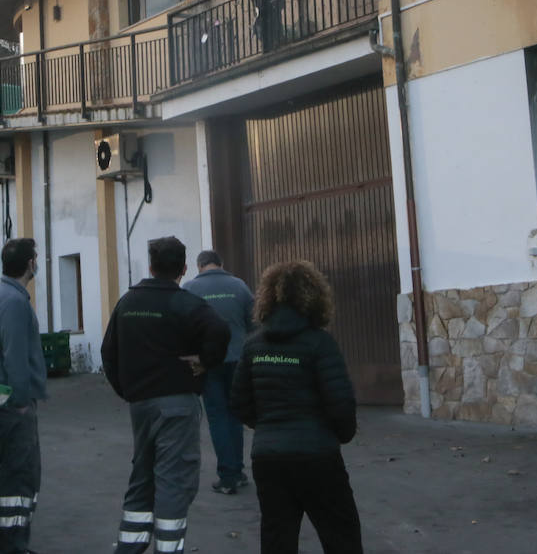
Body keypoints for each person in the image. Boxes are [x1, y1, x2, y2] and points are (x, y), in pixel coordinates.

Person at [101, 236, 230, 554]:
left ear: (151, 266)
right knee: (174, 478)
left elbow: (108, 352)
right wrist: (205, 361)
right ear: (184, 269)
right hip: (177, 403)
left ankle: (129, 547)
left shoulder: (127, 303)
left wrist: (128, 390)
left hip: (141, 404)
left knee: (143, 475)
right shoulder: (185, 303)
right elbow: (220, 331)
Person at [229, 260, 362, 554]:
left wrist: (267, 427)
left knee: (277, 537)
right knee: (342, 536)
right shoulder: (320, 343)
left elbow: (239, 402)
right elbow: (340, 402)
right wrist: (341, 434)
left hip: (268, 456)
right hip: (318, 455)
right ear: (315, 297)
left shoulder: (253, 345)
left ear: (266, 298)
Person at [0, 237, 47, 554]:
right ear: (30, 264)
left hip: (5, 399)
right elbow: (15, 357)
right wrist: (21, 401)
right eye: (36, 258)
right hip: (14, 403)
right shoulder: (14, 302)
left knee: (18, 472)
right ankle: (13, 544)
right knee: (21, 474)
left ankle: (14, 540)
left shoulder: (1, 295)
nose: (37, 263)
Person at [183, 250, 254, 495]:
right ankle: (237, 471)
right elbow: (253, 323)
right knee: (235, 415)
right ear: (220, 264)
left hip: (207, 363)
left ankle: (227, 476)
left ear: (199, 266)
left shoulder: (190, 289)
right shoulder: (239, 286)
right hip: (238, 360)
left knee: (217, 416)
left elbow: (183, 327)